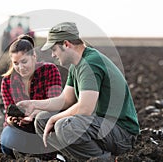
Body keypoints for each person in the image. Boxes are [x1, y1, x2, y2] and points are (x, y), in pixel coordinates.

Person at [17, 22, 140, 161]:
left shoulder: (90, 63)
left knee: (66, 126)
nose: (53, 55)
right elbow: (65, 100)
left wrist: (55, 118)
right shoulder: (76, 66)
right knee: (41, 119)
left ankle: (103, 159)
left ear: (66, 44)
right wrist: (35, 104)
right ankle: (82, 158)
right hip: (101, 128)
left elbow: (85, 108)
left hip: (122, 133)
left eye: (54, 49)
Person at [0, 34, 62, 159]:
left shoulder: (49, 70)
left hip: (47, 124)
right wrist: (13, 120)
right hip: (23, 127)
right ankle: (29, 152)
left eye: (24, 62)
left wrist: (35, 114)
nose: (20, 68)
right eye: (16, 63)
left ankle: (51, 151)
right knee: (6, 143)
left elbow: (57, 104)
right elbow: (9, 112)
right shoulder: (7, 81)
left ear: (34, 57)